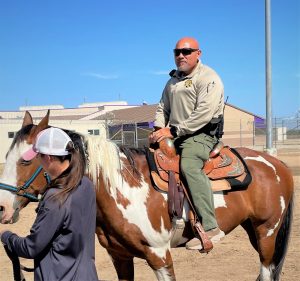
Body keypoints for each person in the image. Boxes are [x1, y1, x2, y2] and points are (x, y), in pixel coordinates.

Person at [149, 37, 225, 250]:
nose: (181, 55)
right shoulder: (172, 81)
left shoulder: (209, 78)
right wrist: (158, 129)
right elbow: (162, 107)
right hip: (174, 135)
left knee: (189, 165)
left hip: (201, 135)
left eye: (187, 51)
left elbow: (203, 114)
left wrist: (171, 130)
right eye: (177, 52)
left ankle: (211, 226)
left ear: (198, 53)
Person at [0, 127, 98, 281]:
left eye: (39, 155)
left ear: (49, 158)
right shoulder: (86, 184)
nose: (37, 159)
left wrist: (7, 236)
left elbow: (31, 248)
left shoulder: (55, 198)